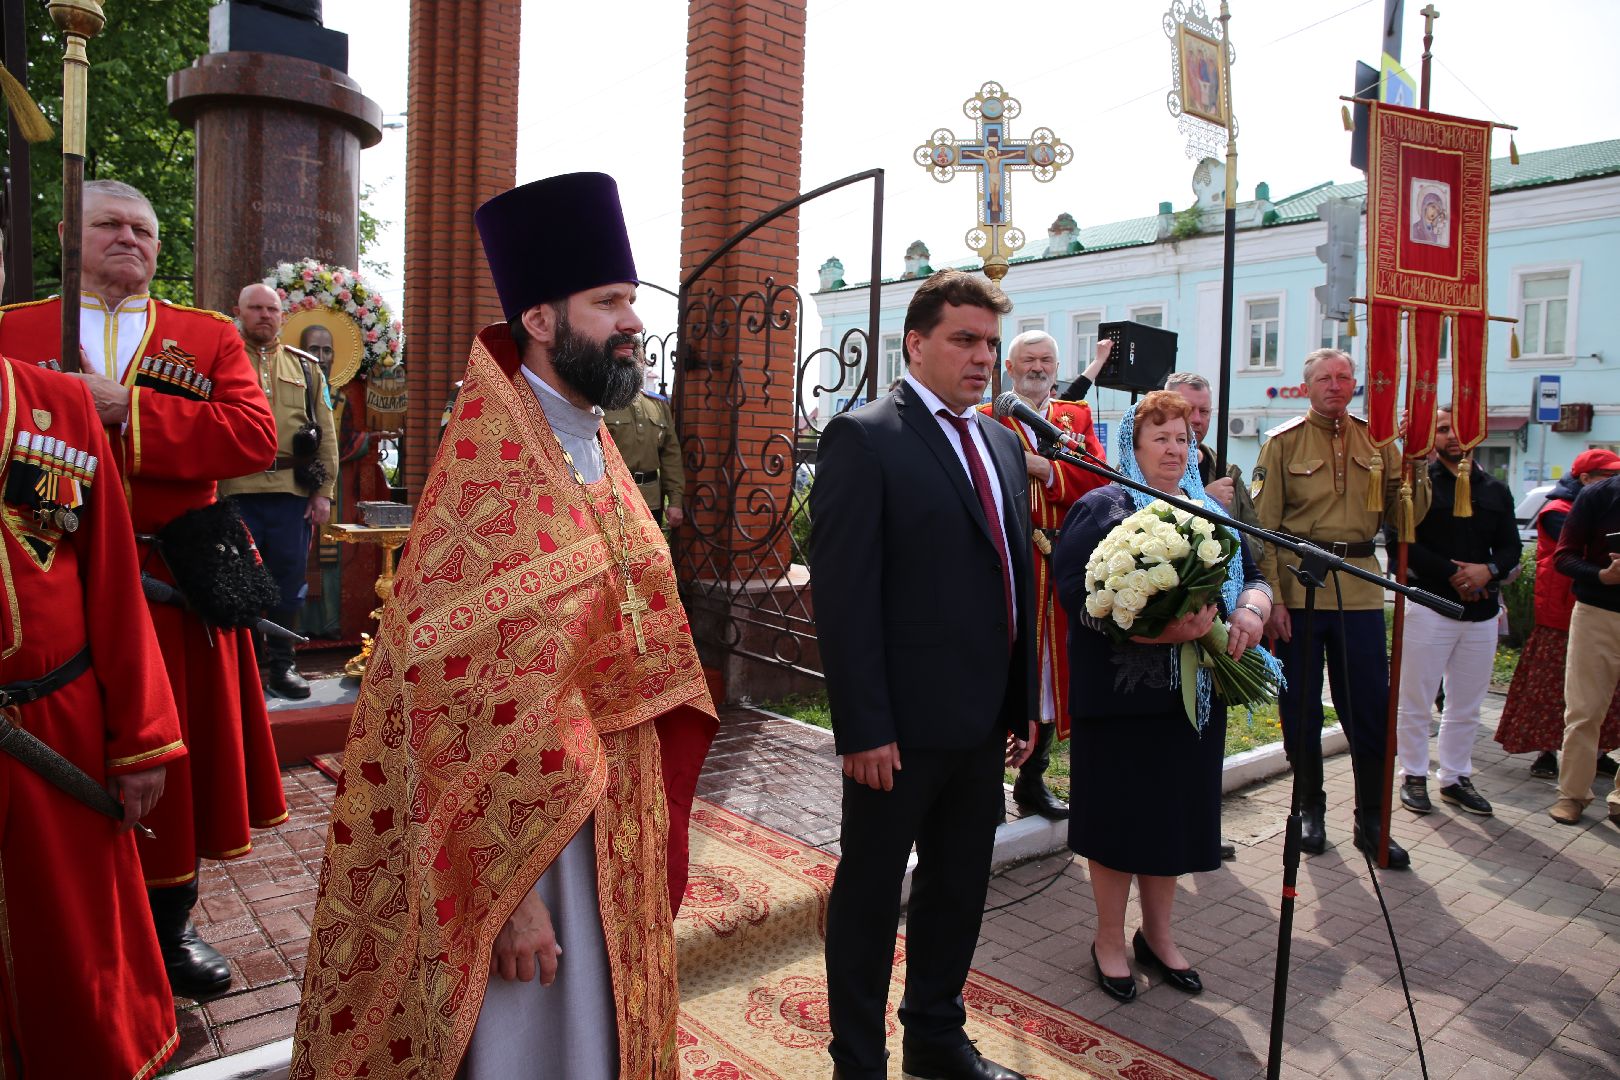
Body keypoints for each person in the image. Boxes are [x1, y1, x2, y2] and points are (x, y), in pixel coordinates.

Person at [290, 172, 718, 1080]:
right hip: (531, 834)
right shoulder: (492, 462)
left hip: (617, 800)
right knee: (540, 1036)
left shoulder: (594, 437)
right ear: (539, 319)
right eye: (608, 302)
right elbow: (451, 688)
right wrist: (511, 889)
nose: (632, 322)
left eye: (631, 301)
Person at [0, 179, 285, 996]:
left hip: (167, 588)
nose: (130, 239)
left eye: (145, 229)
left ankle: (170, 925)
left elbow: (252, 435)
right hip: (46, 584)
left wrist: (127, 409)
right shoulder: (14, 330)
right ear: (67, 235)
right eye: (109, 225)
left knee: (170, 758)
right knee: (66, 755)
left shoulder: (206, 335)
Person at [812, 269, 1035, 1080]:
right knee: (872, 896)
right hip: (897, 734)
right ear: (917, 342)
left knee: (958, 890)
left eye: (990, 343)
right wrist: (864, 726)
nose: (983, 358)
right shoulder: (867, 437)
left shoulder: (1004, 442)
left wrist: (1023, 699)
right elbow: (843, 597)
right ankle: (858, 1061)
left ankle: (935, 1037)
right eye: (964, 340)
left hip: (980, 725)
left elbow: (1015, 578)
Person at [0, 240, 187, 1076]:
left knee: (74, 946)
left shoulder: (53, 414)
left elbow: (109, 578)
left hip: (55, 728)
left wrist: (140, 735)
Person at [1054, 391, 1273, 1003]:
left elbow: (1254, 576)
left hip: (1194, 700)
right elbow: (1075, 594)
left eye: (1183, 438)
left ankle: (1158, 935)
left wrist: (1253, 610)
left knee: (1172, 817)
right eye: (1161, 438)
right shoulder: (1104, 507)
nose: (1175, 450)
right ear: (1134, 444)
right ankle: (1107, 938)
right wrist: (1153, 629)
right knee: (1119, 819)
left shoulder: (1211, 510)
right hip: (1124, 698)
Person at [1251, 348, 1429, 868]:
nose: (1336, 385)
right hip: (1300, 590)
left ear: (1355, 385)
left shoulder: (1378, 442)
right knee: (1300, 708)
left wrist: (1413, 470)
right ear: (1306, 386)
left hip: (1359, 590)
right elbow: (1263, 530)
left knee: (1369, 710)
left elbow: (1405, 518)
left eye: (1344, 377)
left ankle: (1371, 818)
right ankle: (1310, 807)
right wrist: (1275, 600)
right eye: (1325, 378)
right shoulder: (1282, 443)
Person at [976, 329, 1105, 819]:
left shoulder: (1075, 418)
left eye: (1046, 359)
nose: (1038, 367)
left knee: (1053, 671)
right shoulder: (986, 419)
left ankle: (1033, 780)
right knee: (1003, 665)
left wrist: (1042, 468)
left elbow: (1097, 478)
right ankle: (985, 780)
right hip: (1009, 561)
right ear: (1008, 369)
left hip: (1062, 563)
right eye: (1028, 359)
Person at [1392, 408, 1520, 817]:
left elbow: (1510, 547)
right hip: (1430, 604)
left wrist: (1488, 571)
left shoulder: (1495, 489)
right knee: (1416, 699)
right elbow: (1402, 543)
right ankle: (1413, 773)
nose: (1452, 437)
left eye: (1457, 428)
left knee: (1466, 704)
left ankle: (1455, 776)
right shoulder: (1419, 486)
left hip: (1481, 612)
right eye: (1443, 429)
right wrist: (1453, 574)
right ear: (1431, 438)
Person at [218, 283, 339, 698]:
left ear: (282, 315)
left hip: (291, 492)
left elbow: (325, 431)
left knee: (289, 580)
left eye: (271, 309)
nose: (264, 315)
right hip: (236, 490)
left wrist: (322, 492)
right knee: (239, 581)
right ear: (239, 311)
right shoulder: (220, 362)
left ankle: (283, 668)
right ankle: (245, 672)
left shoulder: (307, 368)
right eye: (255, 308)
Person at [1166, 370, 1260, 861]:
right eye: (1187, 411)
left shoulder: (1223, 470)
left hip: (1219, 631)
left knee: (1208, 735)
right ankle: (1169, 833)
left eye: (1204, 412)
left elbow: (1251, 548)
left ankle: (1201, 829)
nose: (1198, 422)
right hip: (1166, 632)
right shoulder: (1137, 471)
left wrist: (1257, 605)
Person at [1497, 449, 1620, 778]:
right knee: (1553, 689)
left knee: (1602, 691)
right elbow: (1582, 549)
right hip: (1560, 615)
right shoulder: (1557, 510)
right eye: (1609, 477)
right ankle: (1546, 752)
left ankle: (1596, 752)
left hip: (1593, 609)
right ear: (1586, 479)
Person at [1547, 471, 1620, 826]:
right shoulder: (1598, 495)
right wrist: (1602, 575)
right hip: (1598, 614)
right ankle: (1572, 795)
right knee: (1585, 711)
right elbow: (1565, 557)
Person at [603, 371, 685, 526]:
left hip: (650, 501)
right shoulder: (602, 402)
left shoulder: (658, 405)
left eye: (639, 359)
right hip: (612, 498)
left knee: (652, 550)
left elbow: (671, 456)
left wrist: (675, 501)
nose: (635, 365)